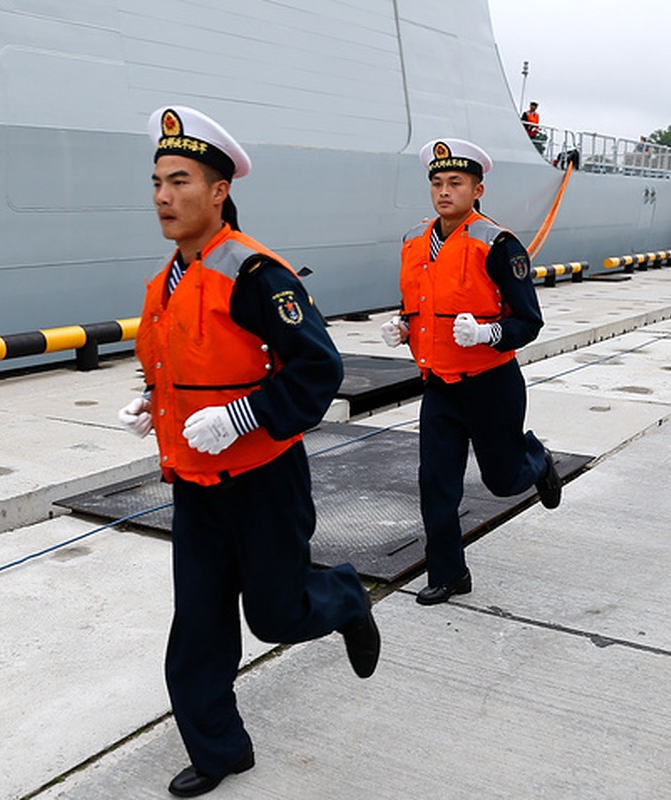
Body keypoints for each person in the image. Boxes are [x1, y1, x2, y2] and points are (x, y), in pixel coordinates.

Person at [119, 105, 380, 798]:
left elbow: (316, 369)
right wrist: (151, 401)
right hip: (195, 484)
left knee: (276, 616)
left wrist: (242, 416)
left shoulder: (256, 274)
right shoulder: (166, 278)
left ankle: (345, 598)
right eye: (155, 182)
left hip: (264, 478)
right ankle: (220, 750)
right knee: (197, 630)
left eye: (179, 180)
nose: (163, 197)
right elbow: (179, 360)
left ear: (217, 191)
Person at [380, 138, 562, 605]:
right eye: (437, 183)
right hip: (439, 384)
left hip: (491, 384)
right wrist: (404, 326)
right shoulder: (413, 241)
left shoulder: (498, 244)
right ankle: (449, 572)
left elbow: (528, 321)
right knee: (435, 483)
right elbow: (421, 303)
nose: (444, 191)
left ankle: (536, 460)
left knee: (502, 481)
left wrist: (487, 335)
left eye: (455, 183)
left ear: (477, 189)